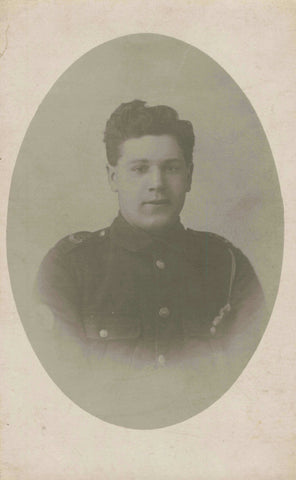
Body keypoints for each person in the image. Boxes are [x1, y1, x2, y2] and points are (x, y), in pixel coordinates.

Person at [33, 100, 267, 427]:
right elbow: (55, 395)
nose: (156, 182)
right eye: (140, 168)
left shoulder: (227, 265)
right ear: (113, 177)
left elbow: (257, 388)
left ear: (189, 176)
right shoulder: (69, 267)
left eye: (170, 167)